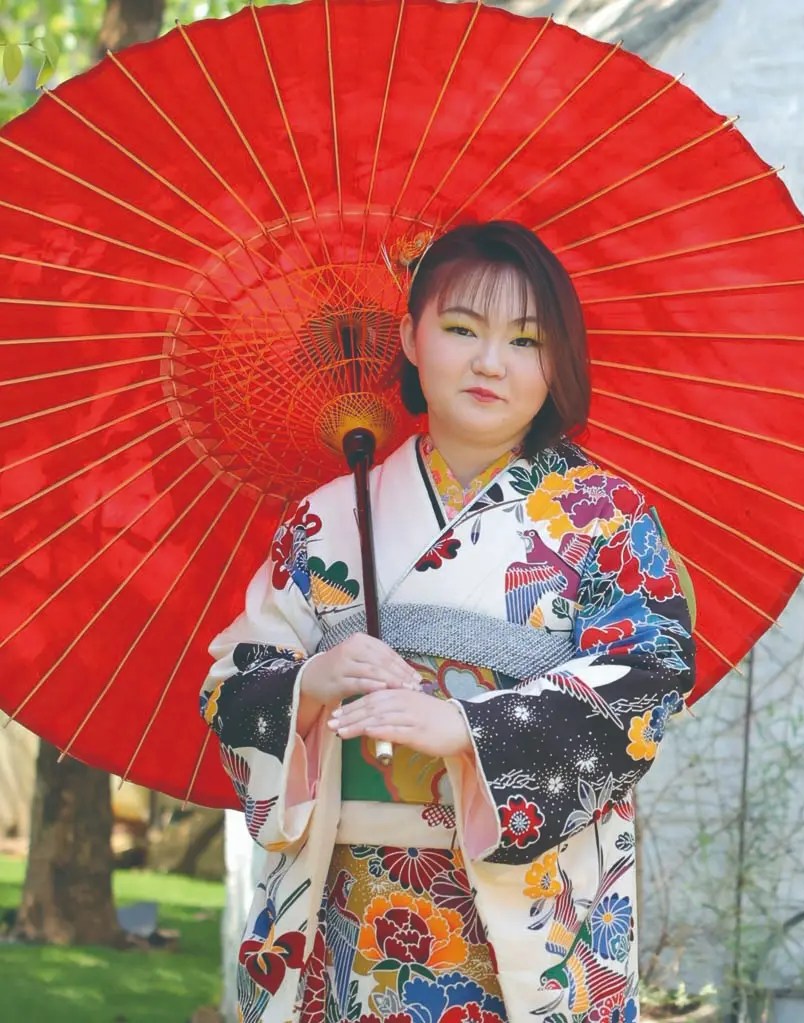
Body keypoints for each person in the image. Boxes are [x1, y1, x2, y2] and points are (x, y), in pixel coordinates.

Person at [200, 221, 696, 1023]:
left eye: (525, 341)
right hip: (347, 891)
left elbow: (646, 680)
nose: (490, 362)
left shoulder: (606, 519)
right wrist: (311, 681)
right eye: (462, 329)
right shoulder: (324, 520)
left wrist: (467, 727)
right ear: (409, 338)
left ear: (557, 362)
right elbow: (231, 687)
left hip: (524, 892)